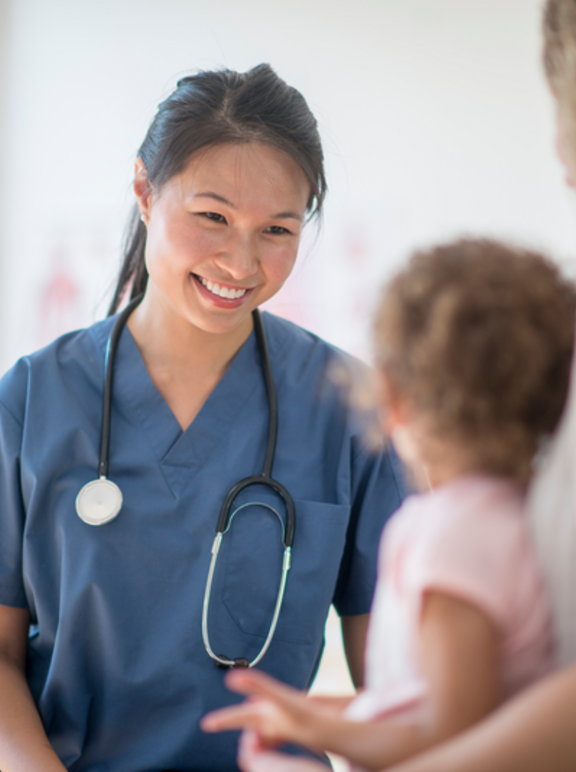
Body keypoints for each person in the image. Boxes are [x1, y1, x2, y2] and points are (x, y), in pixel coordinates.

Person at [0, 64, 406, 772]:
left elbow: (395, 686)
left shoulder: (349, 409)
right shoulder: (34, 398)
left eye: (277, 229)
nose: (241, 262)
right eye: (212, 216)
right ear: (144, 192)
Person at [201, 239, 576, 771]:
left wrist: (321, 741)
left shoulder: (449, 537)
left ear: (393, 398)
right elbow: (433, 704)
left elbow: (449, 734)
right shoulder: (524, 516)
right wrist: (315, 719)